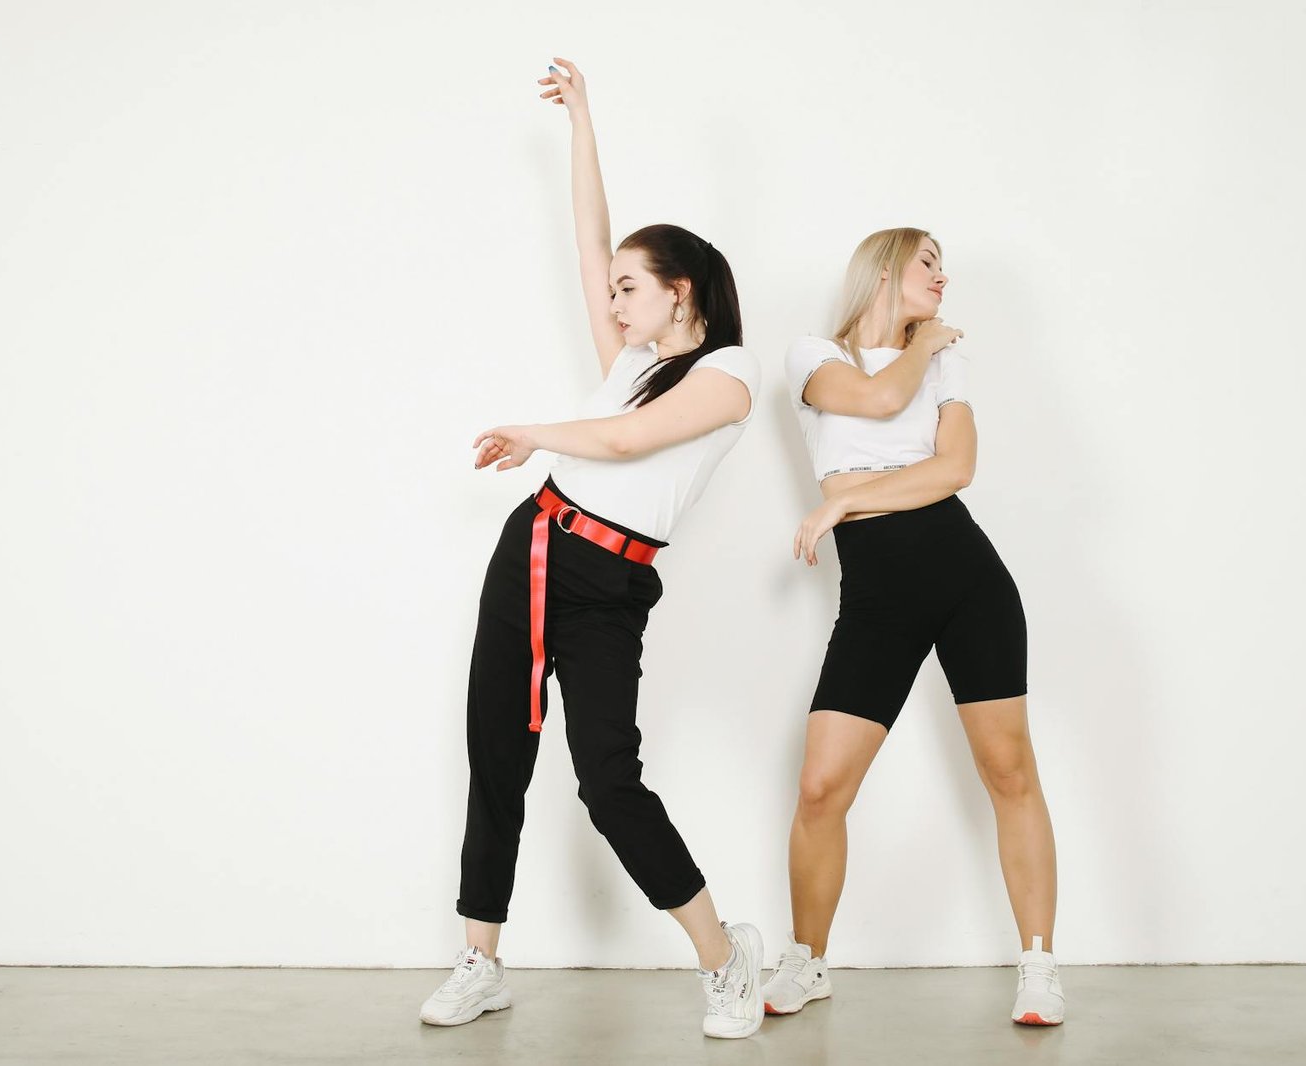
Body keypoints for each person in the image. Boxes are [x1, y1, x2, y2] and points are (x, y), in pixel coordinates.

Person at [418, 58, 765, 1039]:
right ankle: (481, 959)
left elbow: (624, 442)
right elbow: (586, 241)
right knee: (497, 756)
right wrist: (582, 122)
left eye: (629, 288)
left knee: (609, 778)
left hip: (609, 580)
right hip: (530, 544)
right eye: (610, 291)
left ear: (679, 292)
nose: (611, 302)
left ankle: (724, 955)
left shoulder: (728, 377)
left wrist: (534, 431)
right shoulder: (628, 359)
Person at [765, 227, 1064, 1026]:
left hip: (967, 576)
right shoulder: (811, 356)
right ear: (887, 269)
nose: (944, 277)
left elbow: (956, 469)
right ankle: (808, 959)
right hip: (877, 597)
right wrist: (923, 344)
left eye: (944, 267)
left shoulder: (945, 363)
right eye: (929, 262)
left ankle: (1038, 965)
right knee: (821, 787)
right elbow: (877, 400)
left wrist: (846, 498)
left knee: (1010, 774)